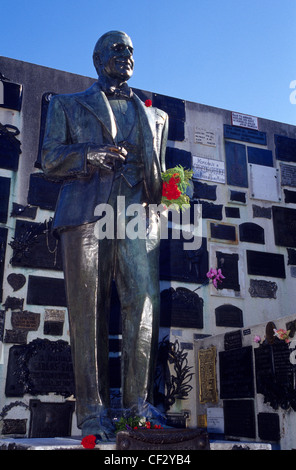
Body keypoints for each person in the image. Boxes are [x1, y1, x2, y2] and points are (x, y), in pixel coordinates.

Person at [41, 31, 168, 439]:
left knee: (144, 302)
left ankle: (139, 407)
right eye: (117, 48)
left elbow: (158, 175)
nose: (126, 54)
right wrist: (88, 154)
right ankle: (93, 411)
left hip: (137, 218)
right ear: (97, 59)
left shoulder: (155, 116)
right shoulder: (66, 105)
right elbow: (49, 159)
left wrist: (173, 190)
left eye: (131, 49)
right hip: (85, 214)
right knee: (87, 311)